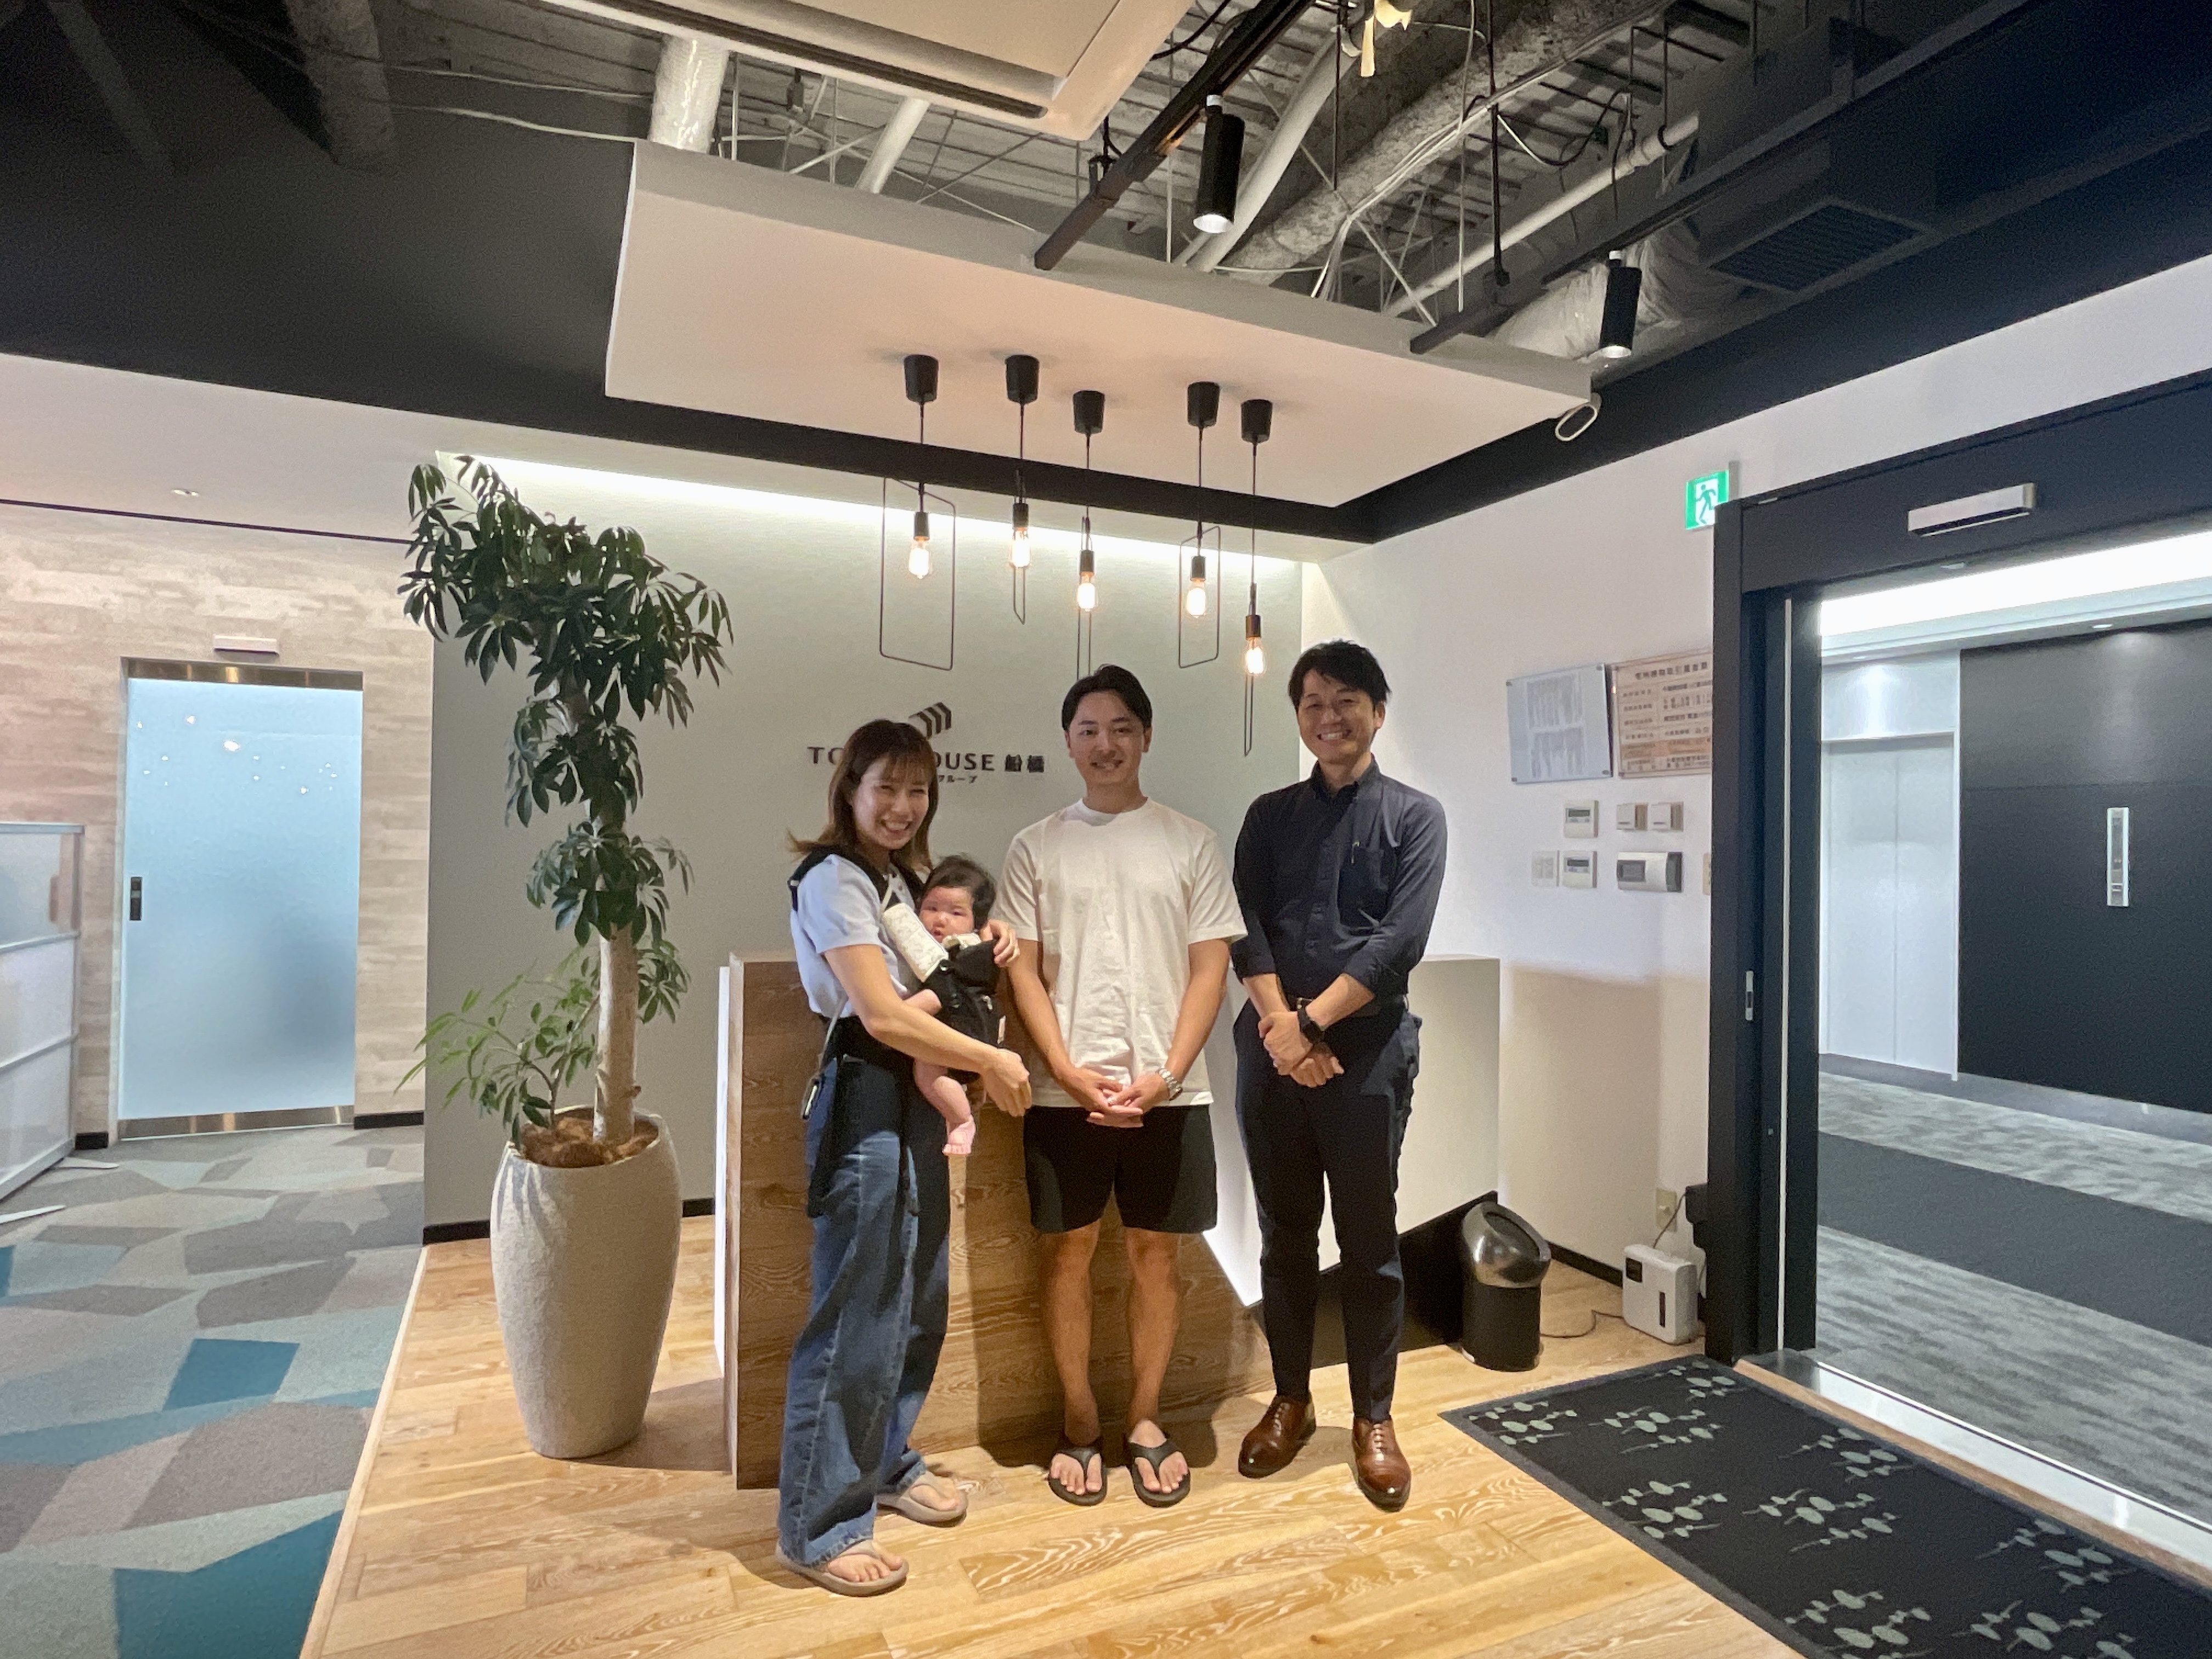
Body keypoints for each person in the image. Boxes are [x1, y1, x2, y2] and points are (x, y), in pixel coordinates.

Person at [776, 720, 1031, 1597]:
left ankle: (885, 1462)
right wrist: (991, 1060)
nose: (902, 805)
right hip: (864, 1094)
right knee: (858, 1308)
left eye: (917, 789)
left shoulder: (902, 883)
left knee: (916, 1296)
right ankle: (818, 1525)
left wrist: (989, 947)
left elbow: (941, 977)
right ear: (850, 787)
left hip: (912, 1100)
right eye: (885, 786)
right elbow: (882, 1017)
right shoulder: (834, 879)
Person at [1000, 665, 1244, 1509]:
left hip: (1168, 1093)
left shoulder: (1192, 842)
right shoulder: (1035, 845)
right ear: (1068, 743)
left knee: (1154, 1254)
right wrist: (1067, 1070)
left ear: (1146, 738)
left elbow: (1210, 968)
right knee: (1067, 1251)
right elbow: (1023, 973)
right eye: (1088, 730)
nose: (1105, 744)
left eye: (1121, 729)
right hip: (1063, 1094)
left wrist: (1167, 1074)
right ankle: (1078, 1418)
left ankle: (1142, 1418)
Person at [1229, 640, 1446, 1513]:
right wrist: (1284, 1032)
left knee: (1369, 1241)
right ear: (1298, 716)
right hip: (1272, 1053)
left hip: (1368, 1056)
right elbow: (1245, 924)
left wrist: (1309, 1025)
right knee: (1284, 1236)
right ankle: (1291, 1398)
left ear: (1378, 712)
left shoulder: (1416, 817)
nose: (1329, 717)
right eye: (1313, 702)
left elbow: (1400, 942)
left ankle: (1373, 1418)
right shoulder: (1268, 816)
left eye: (1347, 700)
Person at [901, 856, 1006, 1158]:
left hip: (965, 1027)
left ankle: (961, 1120)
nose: (941, 919)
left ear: (976, 922)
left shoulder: (961, 955)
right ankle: (970, 1094)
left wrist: (892, 1014)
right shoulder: (966, 945)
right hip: (975, 1028)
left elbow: (934, 998)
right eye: (932, 908)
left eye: (956, 913)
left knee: (927, 1069)